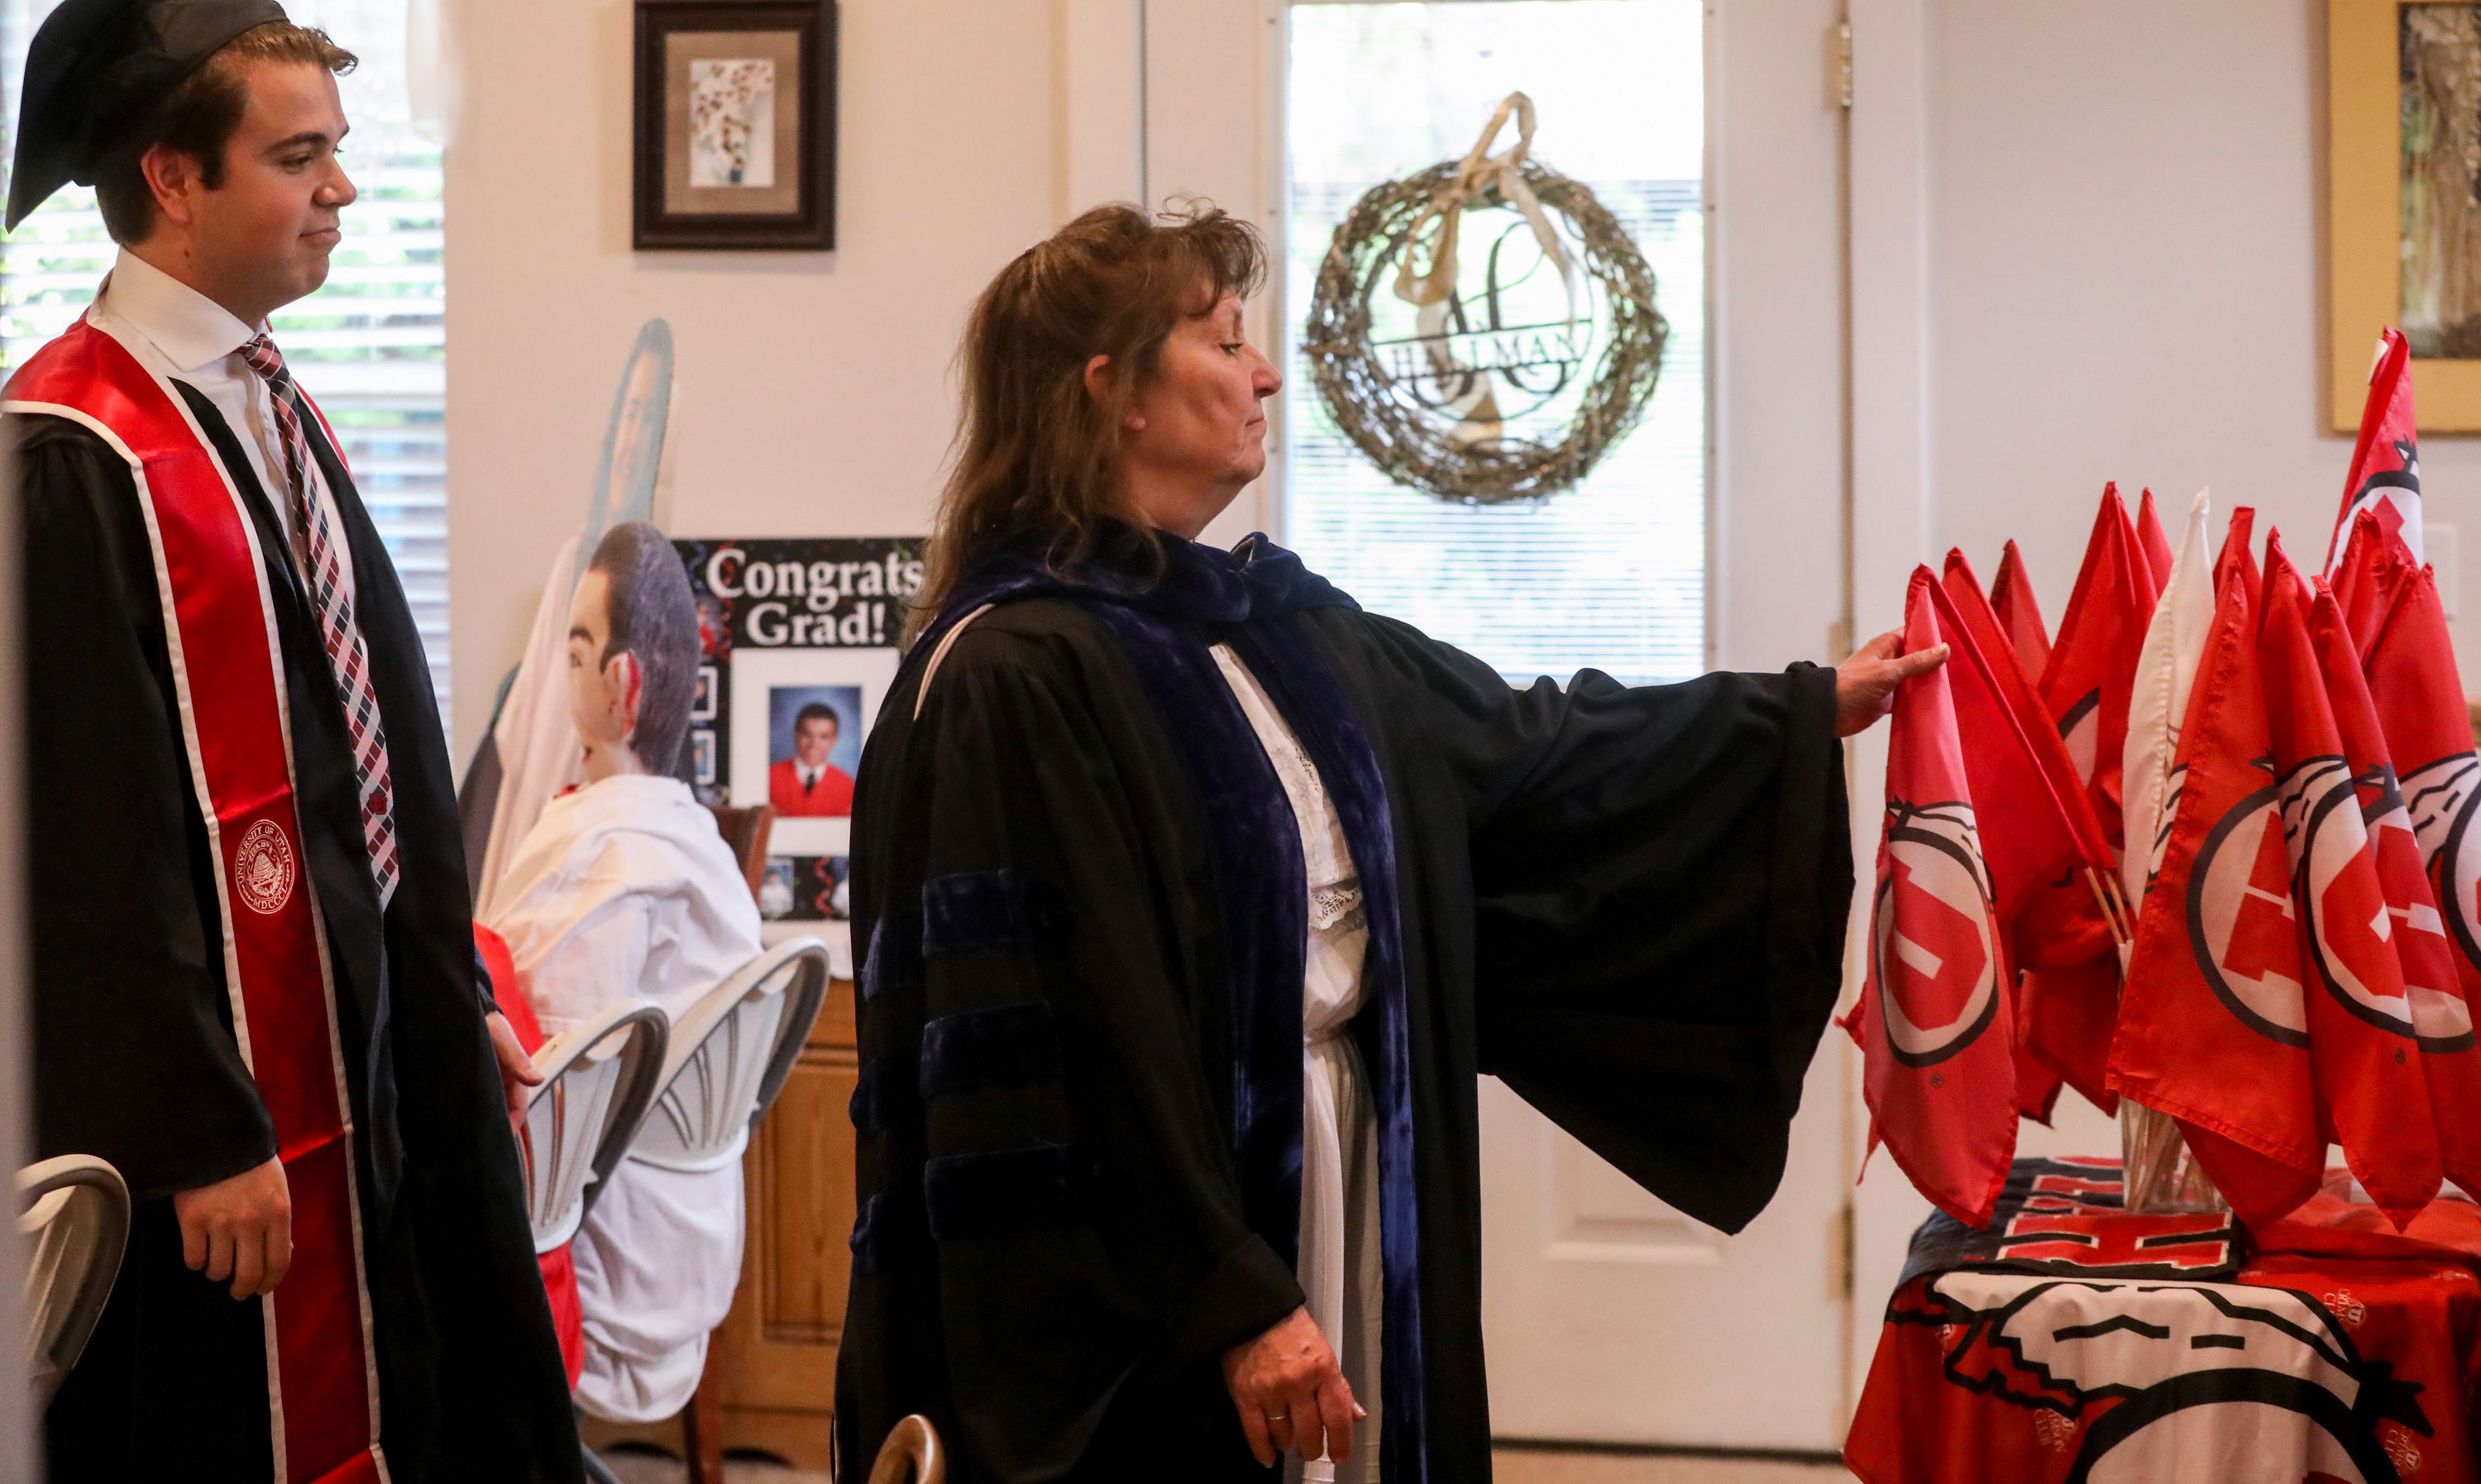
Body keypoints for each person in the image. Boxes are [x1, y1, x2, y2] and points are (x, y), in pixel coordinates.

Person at [835, 203, 1945, 1484]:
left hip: (1351, 1156)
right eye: (1222, 338)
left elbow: (1526, 745)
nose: (1263, 373)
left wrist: (1795, 710)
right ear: (1114, 393)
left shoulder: (1272, 627)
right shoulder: (1017, 672)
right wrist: (1231, 1294)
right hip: (1171, 1245)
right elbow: (1067, 1037)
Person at [4, 0, 579, 1480]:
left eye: (337, 149)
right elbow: (87, 846)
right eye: (297, 156)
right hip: (223, 1138)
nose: (341, 188)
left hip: (368, 1054)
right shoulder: (75, 455)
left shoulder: (266, 403)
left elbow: (362, 737)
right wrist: (197, 1126)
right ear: (173, 182)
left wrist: (440, 995)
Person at [489, 521, 767, 1422]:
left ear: (621, 682)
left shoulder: (604, 859)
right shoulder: (697, 846)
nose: (557, 683)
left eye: (573, 656)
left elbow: (539, 1087)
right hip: (698, 1256)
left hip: (610, 1280)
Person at [768, 699, 856, 815]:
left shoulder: (846, 785)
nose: (813, 744)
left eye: (823, 737)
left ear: (834, 740)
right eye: (807, 735)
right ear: (796, 735)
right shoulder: (770, 777)